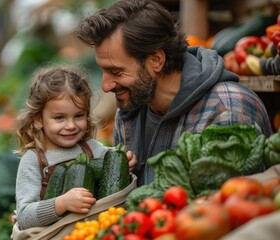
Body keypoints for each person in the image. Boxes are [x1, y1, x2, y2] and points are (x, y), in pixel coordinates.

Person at [75, 0, 273, 187]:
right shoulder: (128, 111)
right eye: (103, 70)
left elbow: (231, 208)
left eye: (116, 72)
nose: (105, 86)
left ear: (156, 60)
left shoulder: (227, 110)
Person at [14, 64, 137, 229]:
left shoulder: (93, 149)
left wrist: (126, 162)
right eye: (59, 118)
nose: (71, 125)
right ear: (38, 119)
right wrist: (60, 204)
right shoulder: (33, 161)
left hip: (98, 230)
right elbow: (24, 216)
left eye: (78, 116)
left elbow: (113, 164)